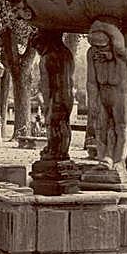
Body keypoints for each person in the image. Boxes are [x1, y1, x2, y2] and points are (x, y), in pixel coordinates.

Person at [86, 19, 127, 172]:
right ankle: (103, 159)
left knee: (121, 128)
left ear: (111, 44)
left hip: (120, 95)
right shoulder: (92, 54)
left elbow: (118, 40)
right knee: (100, 127)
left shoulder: (121, 55)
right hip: (103, 95)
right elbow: (91, 81)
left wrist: (100, 25)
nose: (98, 50)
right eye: (95, 47)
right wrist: (92, 101)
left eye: (102, 46)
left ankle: (120, 161)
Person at [30, 29, 74, 162]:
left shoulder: (47, 58)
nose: (38, 50)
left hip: (55, 96)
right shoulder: (67, 54)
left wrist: (46, 104)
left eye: (38, 46)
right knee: (64, 123)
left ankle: (54, 150)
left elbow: (46, 85)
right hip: (67, 97)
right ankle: (63, 151)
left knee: (52, 123)